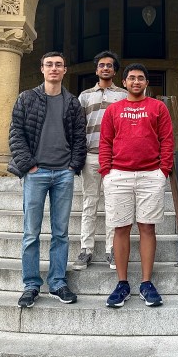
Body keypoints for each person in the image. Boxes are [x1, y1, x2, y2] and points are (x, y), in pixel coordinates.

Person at [8, 51, 86, 308]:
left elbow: (79, 137)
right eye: (49, 64)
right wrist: (28, 165)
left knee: (61, 233)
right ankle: (31, 285)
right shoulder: (27, 98)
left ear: (65, 70)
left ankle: (57, 283)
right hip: (36, 173)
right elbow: (16, 133)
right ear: (42, 69)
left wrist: (73, 165)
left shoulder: (72, 102)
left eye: (59, 65)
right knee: (31, 232)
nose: (54, 68)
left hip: (63, 173)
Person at [99, 63, 174, 308]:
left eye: (141, 78)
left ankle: (145, 282)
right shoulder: (114, 110)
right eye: (131, 78)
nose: (136, 82)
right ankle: (122, 283)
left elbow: (167, 140)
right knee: (120, 228)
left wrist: (163, 171)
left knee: (147, 227)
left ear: (146, 83)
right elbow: (105, 141)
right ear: (124, 82)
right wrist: (106, 172)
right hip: (118, 174)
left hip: (150, 175)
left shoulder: (158, 107)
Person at [72, 51, 127, 271]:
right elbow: (77, 127)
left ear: (115, 71)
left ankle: (111, 250)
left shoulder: (123, 96)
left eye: (110, 66)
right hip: (91, 156)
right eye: (102, 65)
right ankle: (86, 250)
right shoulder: (84, 96)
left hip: (116, 158)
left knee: (114, 205)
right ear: (96, 70)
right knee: (89, 203)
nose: (105, 68)